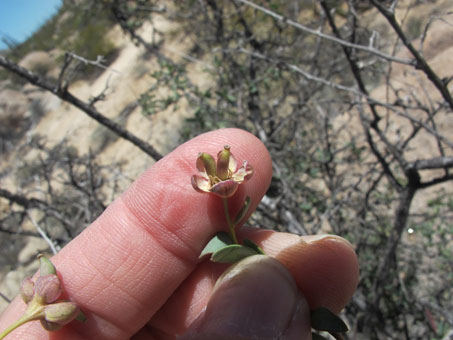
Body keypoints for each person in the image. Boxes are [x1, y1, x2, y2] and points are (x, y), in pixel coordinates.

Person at [0, 129, 359, 339]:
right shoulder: (215, 190)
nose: (219, 179)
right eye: (215, 176)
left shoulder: (227, 183)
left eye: (224, 173)